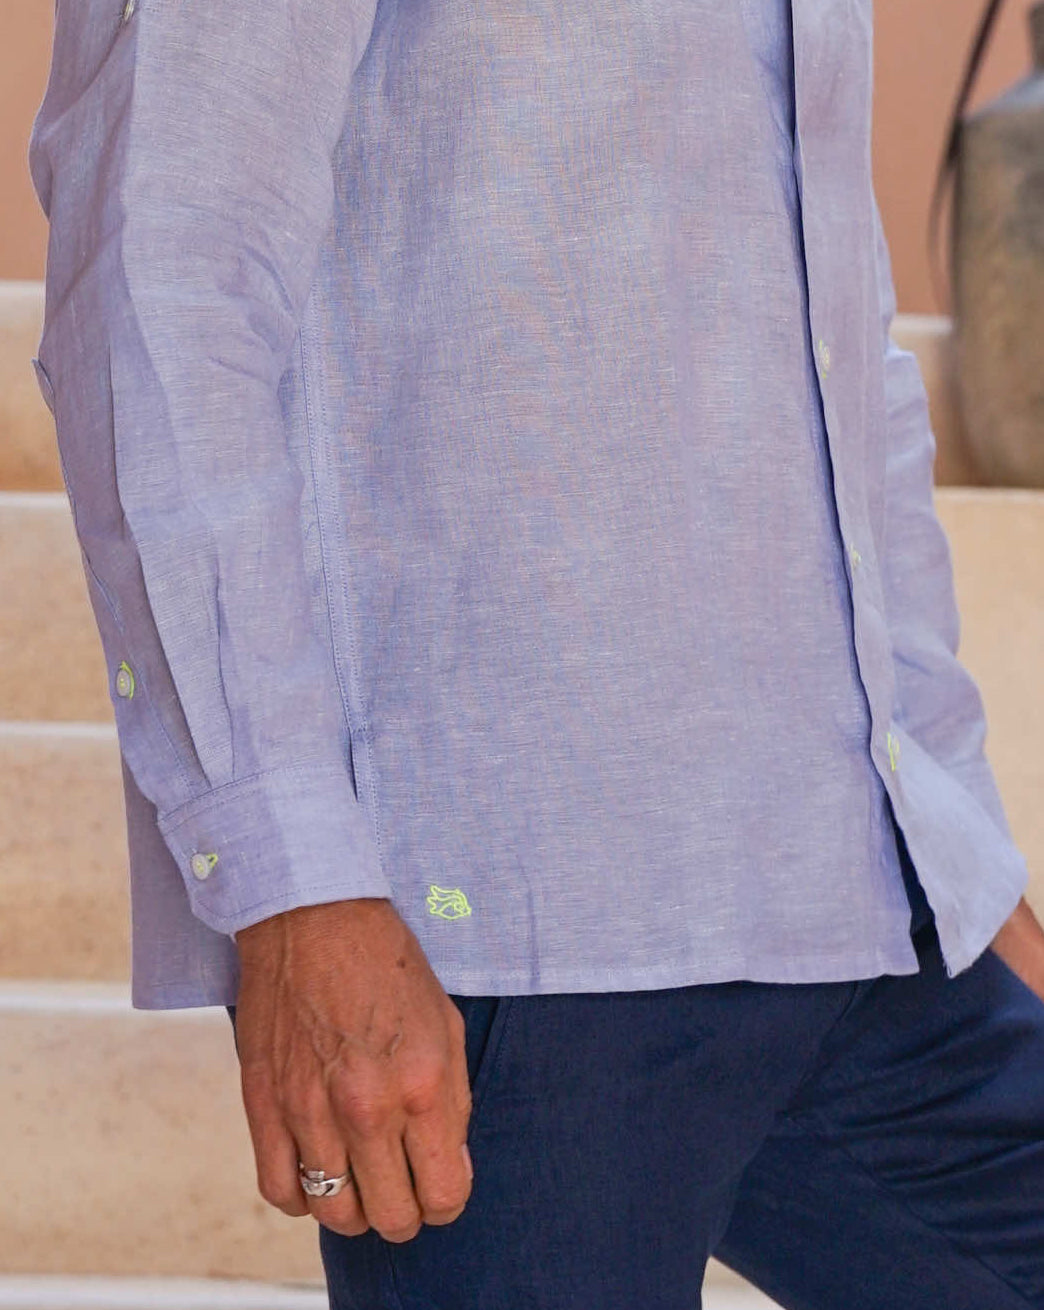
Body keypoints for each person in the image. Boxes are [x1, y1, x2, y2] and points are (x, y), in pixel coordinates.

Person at [28, 0, 1044, 1305]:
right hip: (508, 945)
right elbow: (167, 274)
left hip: (859, 915)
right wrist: (293, 890)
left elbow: (841, 347)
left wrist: (961, 847)